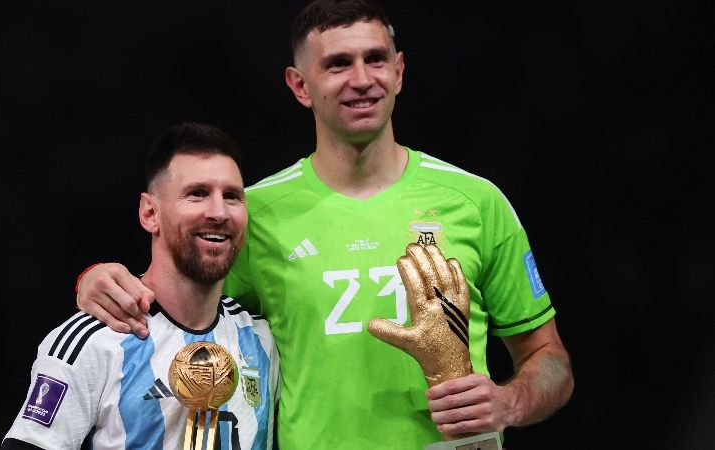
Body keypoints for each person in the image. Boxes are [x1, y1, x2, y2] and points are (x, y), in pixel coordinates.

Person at [76, 1, 574, 448]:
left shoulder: (476, 202)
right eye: (338, 64)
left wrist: (509, 403)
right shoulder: (255, 212)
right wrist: (94, 278)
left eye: (375, 59)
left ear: (399, 72)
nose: (361, 79)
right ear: (300, 85)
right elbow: (167, 303)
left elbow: (549, 359)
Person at [3, 123, 279, 450]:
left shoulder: (262, 340)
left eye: (231, 196)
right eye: (197, 194)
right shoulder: (93, 341)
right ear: (150, 213)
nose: (218, 212)